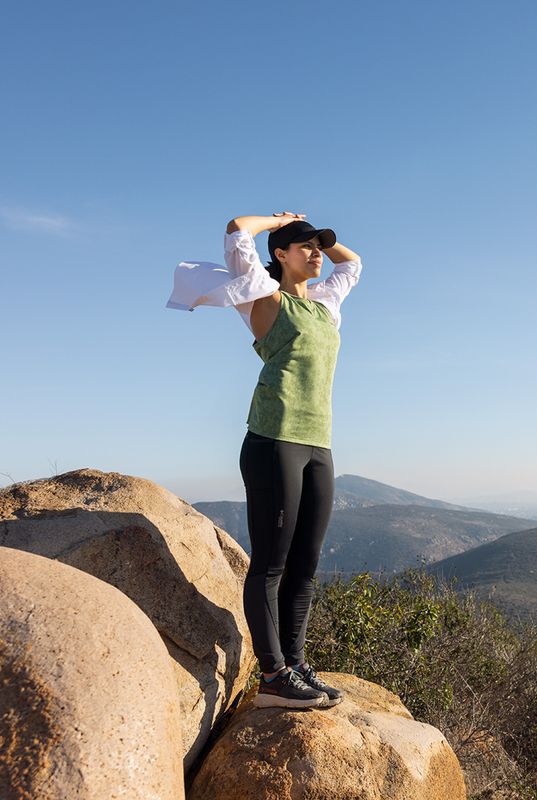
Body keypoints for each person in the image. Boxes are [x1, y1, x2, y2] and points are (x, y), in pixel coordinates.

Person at [165, 211, 362, 709]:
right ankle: (272, 675)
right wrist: (279, 222)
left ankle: (294, 664)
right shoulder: (263, 296)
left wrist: (317, 235)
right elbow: (236, 231)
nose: (317, 254)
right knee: (271, 565)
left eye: (318, 248)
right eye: (305, 248)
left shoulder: (324, 307)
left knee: (306, 565)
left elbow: (353, 263)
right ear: (279, 254)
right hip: (274, 441)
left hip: (318, 444)